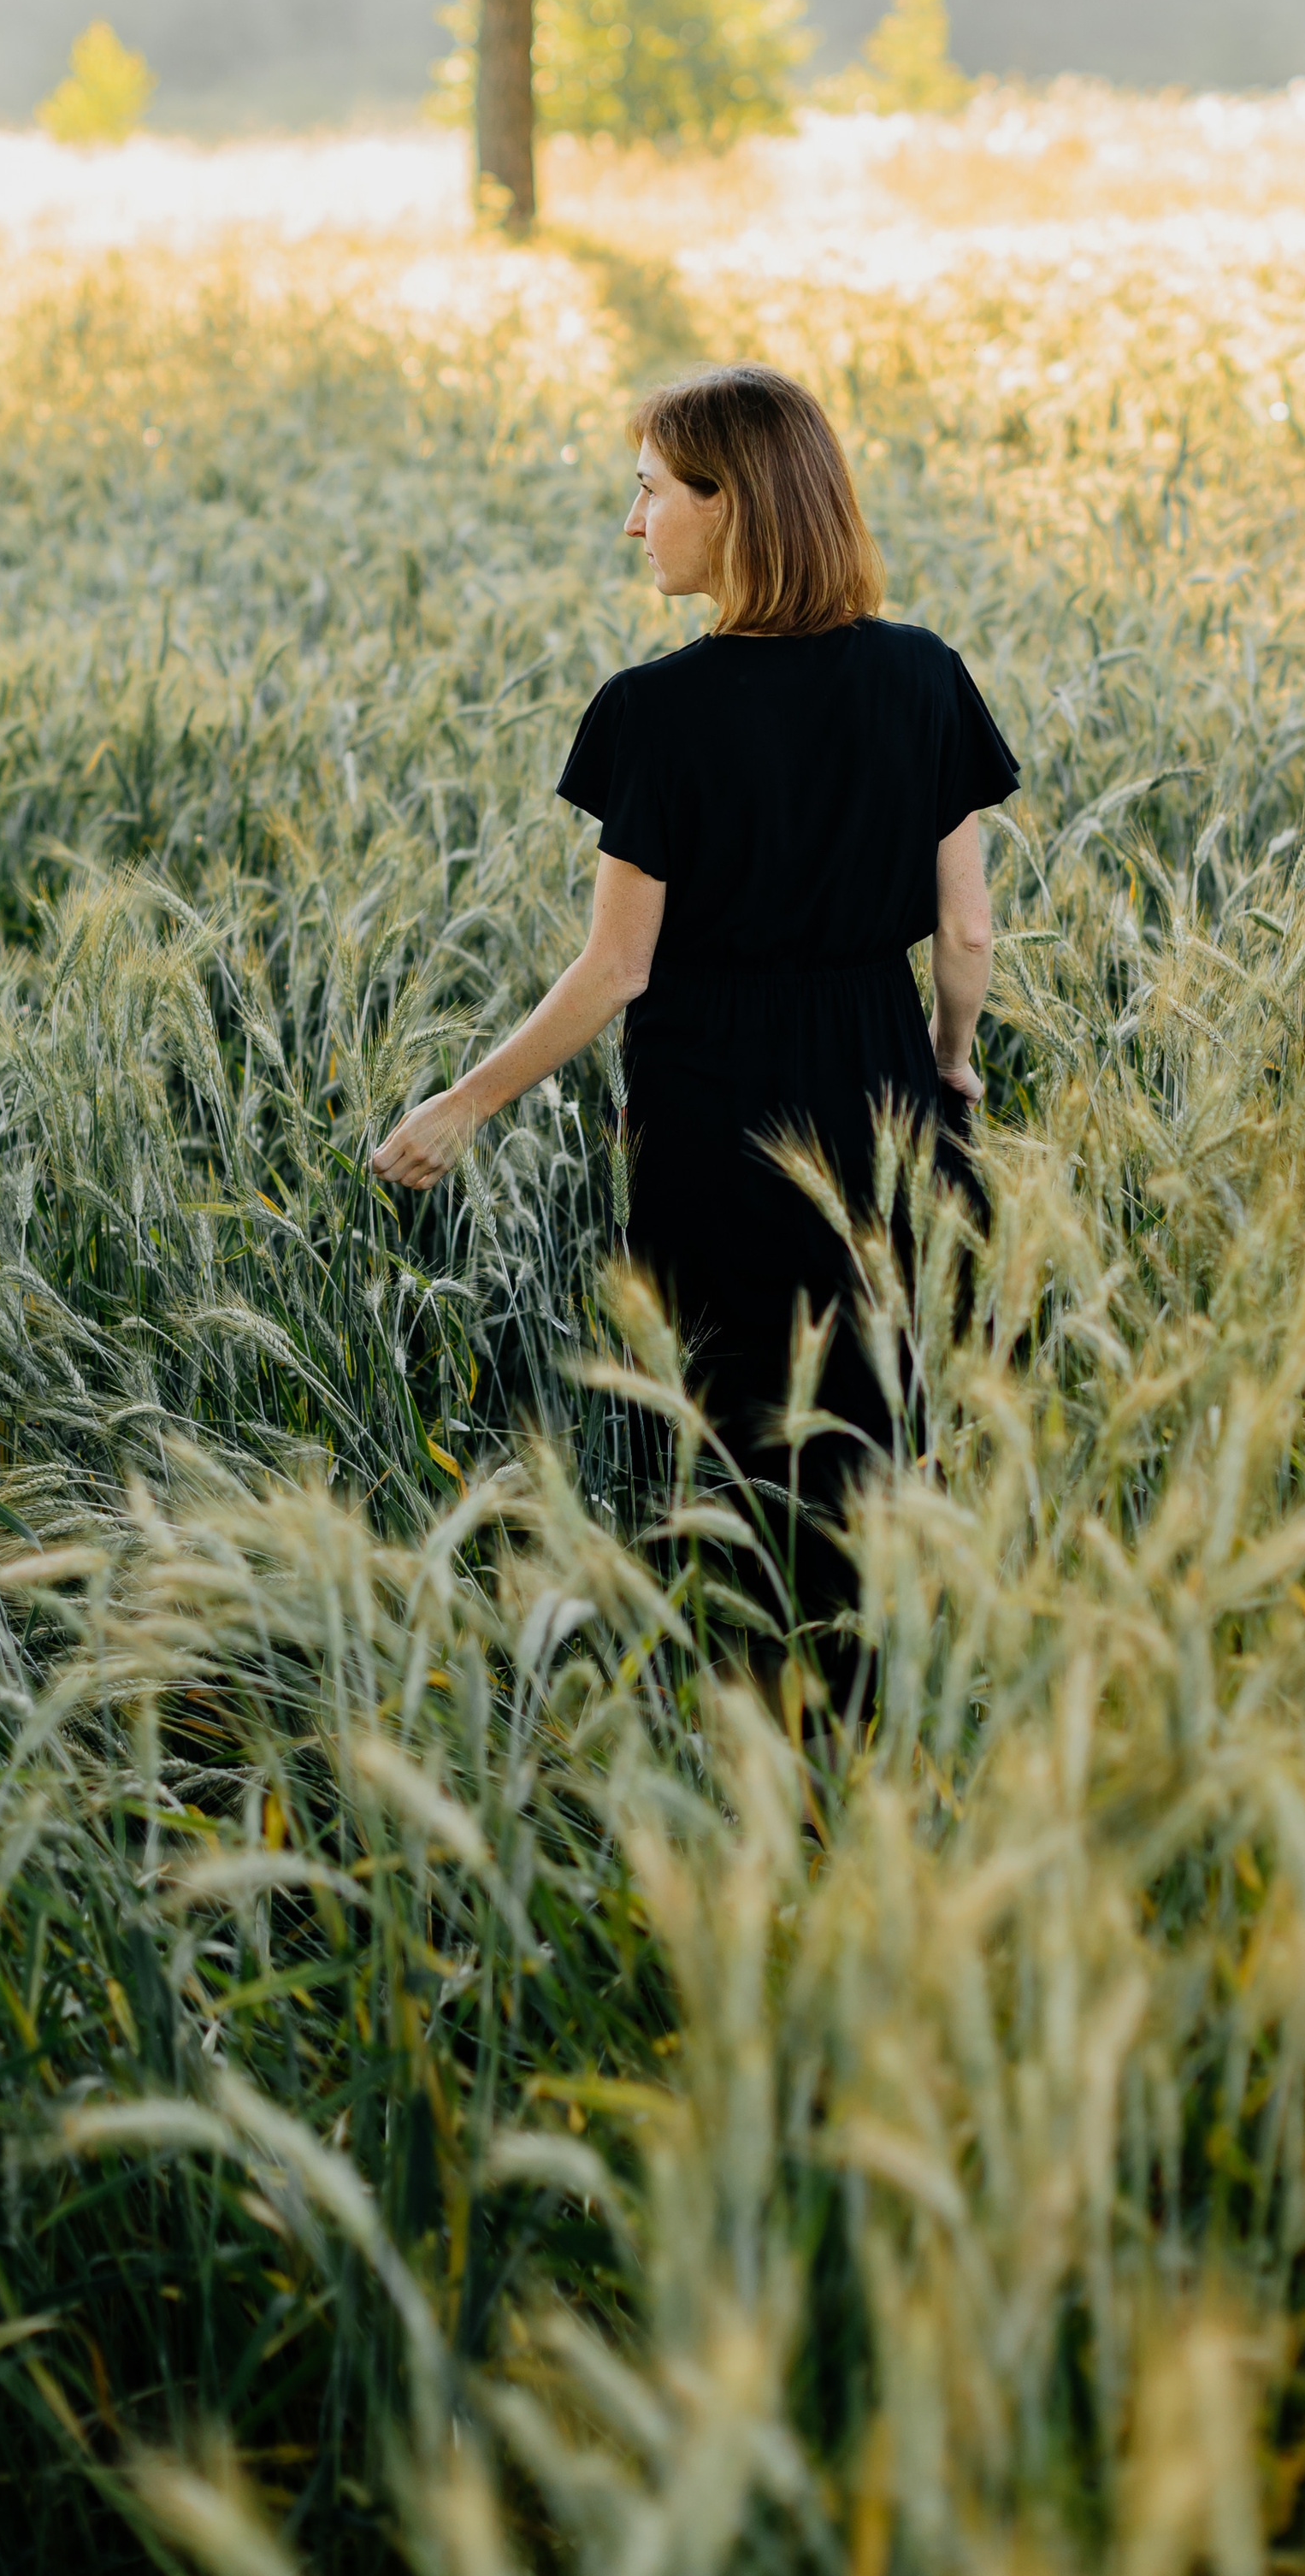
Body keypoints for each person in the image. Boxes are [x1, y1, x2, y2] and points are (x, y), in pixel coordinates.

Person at [371, 361, 1016, 1669]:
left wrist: (461, 1105)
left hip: (713, 1110)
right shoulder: (925, 677)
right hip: (879, 1082)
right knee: (880, 1419)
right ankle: (883, 1711)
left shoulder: (652, 715)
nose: (632, 522)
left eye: (652, 490)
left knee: (728, 1434)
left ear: (736, 507)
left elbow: (616, 971)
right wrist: (948, 1065)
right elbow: (967, 931)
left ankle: (746, 1721)